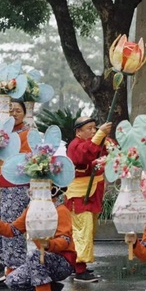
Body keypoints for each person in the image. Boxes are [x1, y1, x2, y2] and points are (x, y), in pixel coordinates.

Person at [0, 186, 76, 291]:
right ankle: (49, 286)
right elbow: (11, 230)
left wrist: (49, 244)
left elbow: (65, 239)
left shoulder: (60, 210)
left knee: (34, 255)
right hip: (41, 261)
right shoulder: (31, 211)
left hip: (63, 262)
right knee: (12, 280)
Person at [0, 99, 33, 285]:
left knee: (13, 227)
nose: (14, 113)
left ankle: (16, 271)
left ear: (24, 113)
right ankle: (8, 268)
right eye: (10, 110)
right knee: (0, 229)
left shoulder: (28, 134)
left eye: (18, 110)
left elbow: (28, 160)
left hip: (17, 186)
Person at [64, 117, 112, 282]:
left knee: (88, 230)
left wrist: (105, 138)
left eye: (94, 128)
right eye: (89, 128)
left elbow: (104, 152)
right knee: (81, 230)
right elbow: (84, 155)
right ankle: (79, 269)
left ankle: (79, 265)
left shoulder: (94, 143)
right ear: (78, 131)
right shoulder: (74, 145)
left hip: (92, 193)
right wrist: (99, 135)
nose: (93, 131)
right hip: (79, 195)